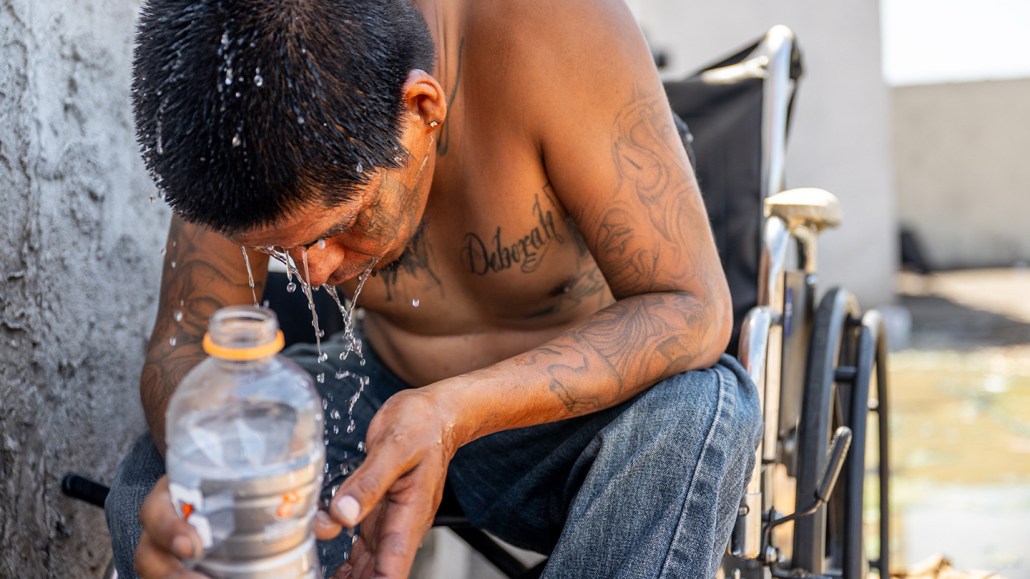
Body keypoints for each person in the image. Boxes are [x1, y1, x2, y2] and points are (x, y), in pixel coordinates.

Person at [105, 0, 762, 577]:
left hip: (574, 435)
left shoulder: (552, 27)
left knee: (704, 407)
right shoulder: (243, 104)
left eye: (340, 226)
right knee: (151, 487)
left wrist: (452, 412)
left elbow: (694, 306)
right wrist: (209, 483)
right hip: (381, 397)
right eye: (281, 248)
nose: (312, 270)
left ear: (421, 109)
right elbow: (186, 341)